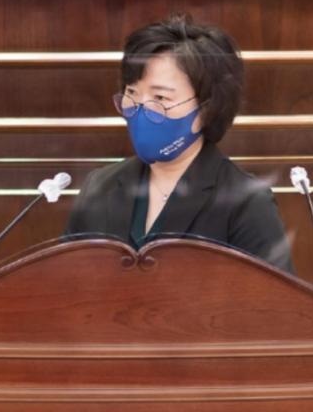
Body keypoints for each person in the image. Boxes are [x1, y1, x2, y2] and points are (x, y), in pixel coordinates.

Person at [65, 14, 294, 274]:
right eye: (132, 93)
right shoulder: (99, 186)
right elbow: (66, 282)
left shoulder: (246, 202)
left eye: (160, 98)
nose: (140, 110)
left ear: (206, 109)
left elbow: (274, 298)